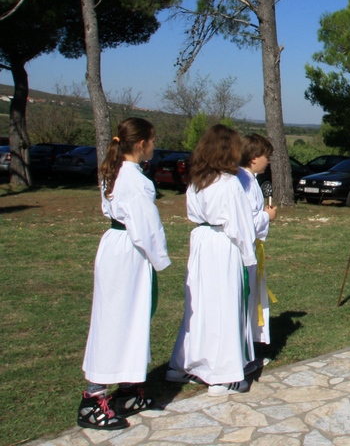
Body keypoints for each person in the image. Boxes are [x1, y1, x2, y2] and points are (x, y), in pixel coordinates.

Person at [79, 118, 170, 430]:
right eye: (153, 140)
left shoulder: (115, 171)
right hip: (129, 249)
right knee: (115, 320)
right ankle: (93, 399)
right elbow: (147, 226)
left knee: (129, 318)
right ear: (141, 144)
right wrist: (161, 259)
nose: (154, 146)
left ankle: (128, 390)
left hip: (117, 246)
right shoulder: (135, 180)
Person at [167, 125, 258, 396]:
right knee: (225, 307)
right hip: (222, 244)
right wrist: (248, 257)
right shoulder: (229, 184)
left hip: (202, 243)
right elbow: (241, 226)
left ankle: (187, 363)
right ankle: (224, 375)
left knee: (199, 305)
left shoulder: (198, 181)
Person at [237, 134, 278, 362]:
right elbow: (247, 220)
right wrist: (267, 216)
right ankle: (242, 353)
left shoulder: (250, 179)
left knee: (252, 298)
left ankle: (248, 348)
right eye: (266, 157)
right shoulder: (243, 181)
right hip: (244, 248)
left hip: (251, 246)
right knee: (246, 298)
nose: (268, 161)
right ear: (253, 158)